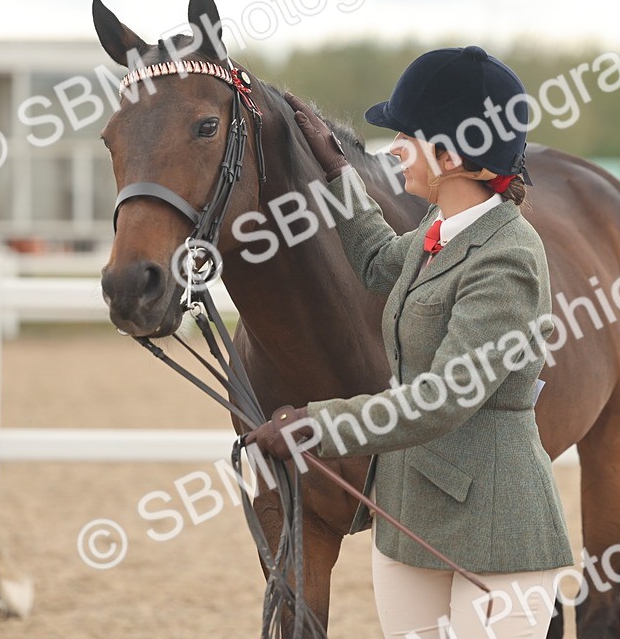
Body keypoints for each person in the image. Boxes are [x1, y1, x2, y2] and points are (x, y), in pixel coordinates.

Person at [246, 46, 574, 638]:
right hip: (407, 517)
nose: (393, 148)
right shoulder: (437, 230)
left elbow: (441, 399)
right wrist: (338, 174)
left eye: (407, 137)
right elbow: (376, 261)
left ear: (451, 156)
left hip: (497, 532)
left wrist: (314, 425)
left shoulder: (509, 259)